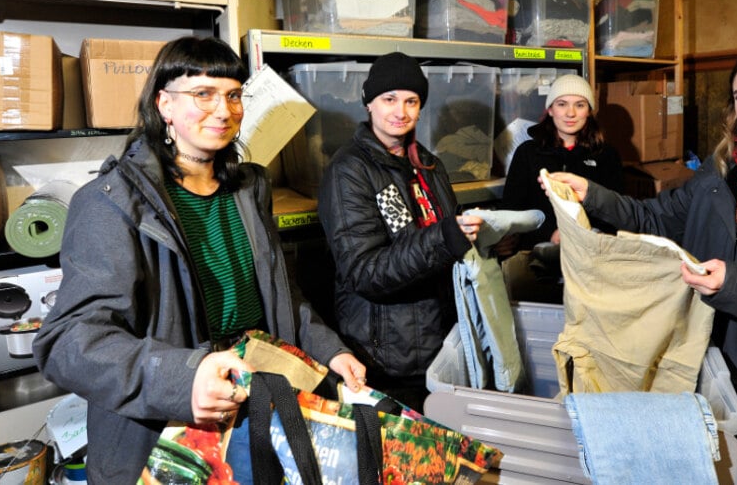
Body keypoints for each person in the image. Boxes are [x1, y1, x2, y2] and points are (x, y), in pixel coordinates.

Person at [32, 36, 365, 484]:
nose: (224, 110)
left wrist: (331, 351)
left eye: (232, 95)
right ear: (164, 104)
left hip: (254, 416)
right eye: (202, 94)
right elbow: (68, 341)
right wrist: (182, 380)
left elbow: (282, 298)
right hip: (161, 440)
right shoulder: (110, 202)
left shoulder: (248, 190)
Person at [546, 39, 737, 485]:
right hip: (709, 374)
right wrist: (591, 195)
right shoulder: (722, 171)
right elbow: (654, 217)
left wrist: (735, 285)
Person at [317, 52, 482, 412]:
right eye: (389, 99)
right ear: (369, 103)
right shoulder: (349, 171)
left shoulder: (428, 164)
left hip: (438, 345)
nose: (400, 111)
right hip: (385, 355)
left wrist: (485, 240)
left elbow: (446, 240)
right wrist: (445, 238)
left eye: (411, 101)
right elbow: (365, 271)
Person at [496, 72, 624, 258]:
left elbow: (616, 212)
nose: (570, 113)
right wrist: (549, 234)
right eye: (562, 104)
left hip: (591, 253)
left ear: (589, 111)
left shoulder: (606, 155)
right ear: (550, 110)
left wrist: (590, 235)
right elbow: (512, 212)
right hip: (537, 254)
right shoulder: (528, 153)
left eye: (579, 105)